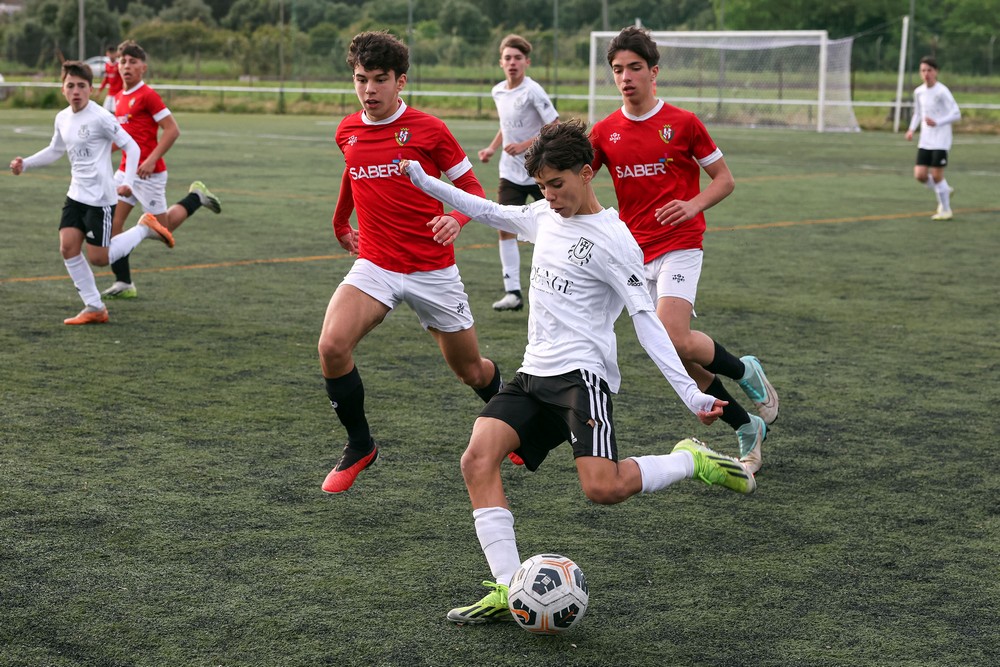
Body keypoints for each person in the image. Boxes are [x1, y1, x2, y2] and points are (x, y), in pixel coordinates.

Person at [399, 119, 754, 624]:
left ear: (587, 174)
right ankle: (509, 588)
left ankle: (688, 460)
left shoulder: (613, 240)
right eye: (542, 186)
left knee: (602, 488)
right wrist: (423, 180)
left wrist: (692, 396)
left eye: (557, 184)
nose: (549, 195)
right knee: (477, 459)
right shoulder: (544, 215)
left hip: (582, 378)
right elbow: (484, 208)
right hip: (532, 374)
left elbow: (648, 323)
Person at [319, 31, 503, 494]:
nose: (369, 90)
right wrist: (341, 222)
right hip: (377, 265)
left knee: (472, 372)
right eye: (361, 79)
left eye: (380, 80)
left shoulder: (430, 130)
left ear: (401, 82)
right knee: (331, 346)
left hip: (433, 271)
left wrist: (456, 219)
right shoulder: (347, 129)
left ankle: (511, 414)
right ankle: (360, 444)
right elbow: (352, 171)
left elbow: (474, 193)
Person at [590, 27, 778, 474]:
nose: (625, 77)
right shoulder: (605, 132)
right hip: (634, 254)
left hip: (680, 244)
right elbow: (579, 181)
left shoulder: (684, 123)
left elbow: (725, 180)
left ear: (654, 72)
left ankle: (744, 371)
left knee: (673, 336)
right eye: (618, 70)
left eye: (635, 68)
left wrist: (692, 205)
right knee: (676, 355)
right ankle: (746, 424)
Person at [8, 61, 175, 325]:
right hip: (76, 196)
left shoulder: (101, 118)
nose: (76, 91)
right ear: (63, 89)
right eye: (70, 85)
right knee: (68, 247)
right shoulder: (62, 117)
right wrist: (25, 163)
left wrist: (128, 181)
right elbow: (55, 149)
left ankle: (145, 227)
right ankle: (94, 306)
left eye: (81, 86)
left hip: (100, 199)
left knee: (100, 258)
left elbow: (131, 147)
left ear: (91, 89)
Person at [101, 39, 222, 300]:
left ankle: (196, 198)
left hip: (149, 175)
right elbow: (122, 137)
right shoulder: (120, 98)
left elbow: (172, 129)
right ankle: (124, 283)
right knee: (112, 227)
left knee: (162, 232)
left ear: (143, 67)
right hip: (125, 173)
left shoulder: (148, 95)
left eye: (133, 62)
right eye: (123, 61)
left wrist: (152, 159)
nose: (126, 66)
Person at [477, 34, 559, 312]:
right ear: (501, 62)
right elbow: (506, 125)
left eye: (518, 58)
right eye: (508, 58)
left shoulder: (533, 90)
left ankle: (564, 285)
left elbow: (554, 125)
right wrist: (491, 148)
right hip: (510, 172)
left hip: (540, 171)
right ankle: (512, 292)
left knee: (559, 227)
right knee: (505, 229)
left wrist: (525, 145)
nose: (512, 63)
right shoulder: (498, 91)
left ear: (527, 62)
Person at [906, 56, 961, 221]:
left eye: (929, 70)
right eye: (923, 70)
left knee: (937, 175)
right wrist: (911, 129)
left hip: (941, 140)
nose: (926, 74)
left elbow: (956, 113)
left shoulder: (942, 91)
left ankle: (946, 210)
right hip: (925, 139)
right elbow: (917, 113)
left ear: (936, 72)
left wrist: (938, 122)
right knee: (920, 175)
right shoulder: (919, 92)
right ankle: (944, 189)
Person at [97, 45, 122, 114]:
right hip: (110, 93)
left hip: (118, 94)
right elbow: (106, 79)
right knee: (105, 112)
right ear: (107, 54)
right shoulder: (107, 65)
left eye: (113, 53)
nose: (111, 55)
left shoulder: (119, 65)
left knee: (116, 113)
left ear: (116, 54)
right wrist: (99, 90)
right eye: (109, 53)